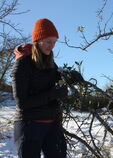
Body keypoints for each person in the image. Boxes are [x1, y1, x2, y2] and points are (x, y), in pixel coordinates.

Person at [11, 18, 68, 158]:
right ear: (38, 40)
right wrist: (53, 94)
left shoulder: (50, 62)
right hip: (29, 125)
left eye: (54, 42)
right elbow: (22, 102)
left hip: (52, 124)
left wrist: (70, 76)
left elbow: (57, 79)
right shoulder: (23, 63)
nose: (52, 46)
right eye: (48, 41)